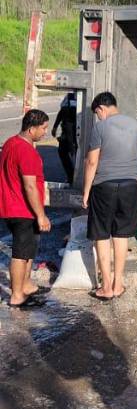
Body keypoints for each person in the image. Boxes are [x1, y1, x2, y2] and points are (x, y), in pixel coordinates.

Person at [83, 92, 137, 301]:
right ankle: (118, 284)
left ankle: (106, 288)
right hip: (130, 186)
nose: (98, 117)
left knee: (102, 234)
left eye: (97, 113)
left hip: (104, 186)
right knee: (121, 235)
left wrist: (86, 192)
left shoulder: (100, 127)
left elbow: (92, 162)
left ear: (101, 109)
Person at [0, 109, 52, 308]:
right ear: (31, 129)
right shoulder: (27, 151)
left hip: (11, 206)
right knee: (21, 254)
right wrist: (41, 215)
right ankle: (17, 296)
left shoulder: (10, 143)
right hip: (22, 209)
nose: (45, 132)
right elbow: (30, 185)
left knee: (29, 249)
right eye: (43, 128)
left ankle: (27, 285)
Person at [51, 92, 78, 185]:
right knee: (64, 153)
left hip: (75, 134)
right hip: (68, 134)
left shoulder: (74, 97)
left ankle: (74, 177)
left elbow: (62, 112)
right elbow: (62, 112)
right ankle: (71, 176)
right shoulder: (70, 97)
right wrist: (55, 126)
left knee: (73, 155)